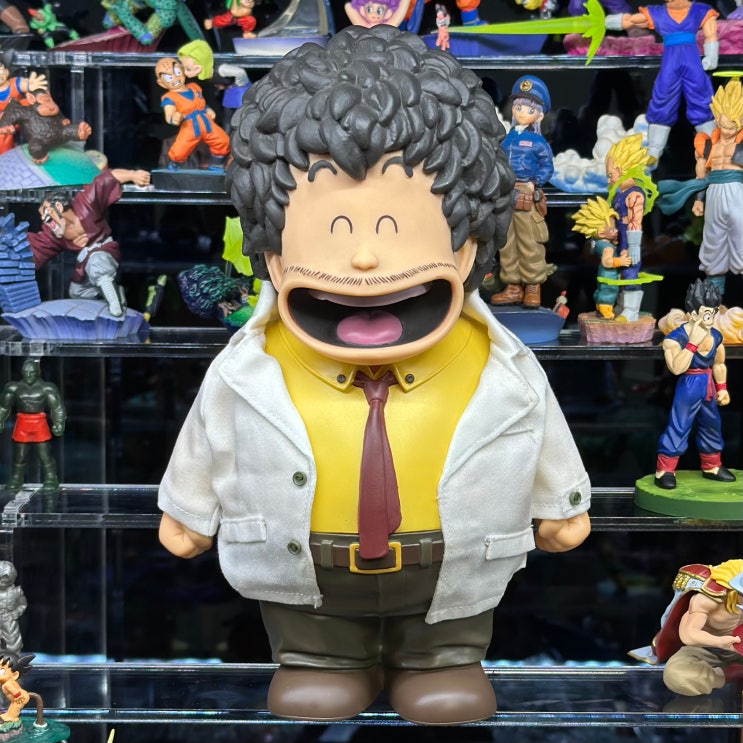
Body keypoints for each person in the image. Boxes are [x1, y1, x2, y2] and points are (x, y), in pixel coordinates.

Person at [158, 26, 591, 726]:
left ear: (468, 245)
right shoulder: (252, 366)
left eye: (392, 228)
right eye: (335, 231)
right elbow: (212, 434)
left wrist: (560, 502)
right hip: (306, 572)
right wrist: (188, 509)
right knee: (311, 646)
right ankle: (320, 657)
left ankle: (441, 657)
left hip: (452, 569)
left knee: (448, 634)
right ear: (272, 254)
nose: (363, 260)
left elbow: (535, 425)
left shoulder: (497, 363)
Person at [657, 78, 743, 301]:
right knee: (714, 243)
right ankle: (713, 304)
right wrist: (699, 199)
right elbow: (703, 174)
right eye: (722, 125)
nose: (726, 131)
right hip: (714, 192)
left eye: (732, 126)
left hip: (737, 192)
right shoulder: (708, 142)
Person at [605, 0, 719, 165]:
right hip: (670, 64)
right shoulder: (658, 13)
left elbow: (711, 31)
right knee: (662, 98)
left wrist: (712, 54)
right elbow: (631, 20)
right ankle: (654, 149)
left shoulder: (700, 10)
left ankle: (712, 146)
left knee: (701, 98)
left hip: (692, 63)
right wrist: (608, 22)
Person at [27, 168, 151, 317]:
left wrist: (132, 175)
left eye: (48, 217)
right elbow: (38, 247)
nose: (47, 222)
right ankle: (113, 297)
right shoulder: (54, 233)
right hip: (84, 262)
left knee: (96, 263)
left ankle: (115, 307)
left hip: (104, 251)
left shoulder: (86, 204)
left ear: (58, 207)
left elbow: (105, 180)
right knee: (77, 291)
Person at [654, 279, 735, 489]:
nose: (711, 319)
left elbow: (719, 363)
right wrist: (692, 344)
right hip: (688, 384)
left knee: (712, 424)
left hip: (708, 383)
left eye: (713, 314)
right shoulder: (675, 339)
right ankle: (664, 470)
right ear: (692, 315)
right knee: (679, 425)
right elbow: (676, 368)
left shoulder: (715, 336)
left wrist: (722, 387)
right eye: (707, 314)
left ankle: (712, 466)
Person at [630, 560, 743, 696]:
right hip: (708, 649)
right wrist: (720, 642)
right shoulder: (707, 600)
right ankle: (729, 675)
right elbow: (689, 634)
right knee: (678, 675)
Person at [490, 76, 554, 309]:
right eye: (518, 107)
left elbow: (547, 167)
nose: (521, 112)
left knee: (529, 242)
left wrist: (534, 183)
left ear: (539, 115)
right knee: (507, 242)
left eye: (528, 109)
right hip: (506, 194)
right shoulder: (507, 139)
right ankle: (513, 286)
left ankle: (533, 286)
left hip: (526, 194)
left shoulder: (538, 142)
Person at [604, 134, 657, 322]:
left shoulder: (635, 194)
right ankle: (622, 305)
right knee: (619, 271)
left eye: (610, 175)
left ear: (622, 170)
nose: (609, 180)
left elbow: (636, 220)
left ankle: (631, 310)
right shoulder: (619, 193)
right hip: (620, 235)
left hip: (630, 236)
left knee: (630, 270)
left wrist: (633, 246)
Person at [0, 358, 66, 496]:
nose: (28, 374)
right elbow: (3, 407)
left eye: (32, 372)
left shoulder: (47, 388)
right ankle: (16, 478)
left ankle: (51, 478)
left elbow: (57, 407)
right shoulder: (14, 387)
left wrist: (59, 423)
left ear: (38, 372)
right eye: (26, 372)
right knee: (20, 455)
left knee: (44, 454)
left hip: (39, 422)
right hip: (22, 422)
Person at [155, 57, 230, 171]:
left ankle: (217, 165)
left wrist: (208, 109)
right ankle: (174, 164)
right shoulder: (169, 97)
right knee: (180, 149)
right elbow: (169, 114)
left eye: (177, 72)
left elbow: (201, 103)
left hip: (206, 122)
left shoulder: (194, 87)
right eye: (169, 77)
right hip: (189, 125)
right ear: (161, 83)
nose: (175, 78)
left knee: (223, 141)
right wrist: (173, 118)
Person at [571, 196, 630, 319]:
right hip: (608, 274)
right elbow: (607, 262)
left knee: (601, 289)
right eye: (612, 230)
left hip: (603, 273)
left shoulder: (598, 243)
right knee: (609, 290)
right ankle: (605, 308)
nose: (616, 231)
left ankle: (599, 305)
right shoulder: (607, 248)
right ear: (601, 233)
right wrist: (621, 261)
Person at [0, 55, 47, 155]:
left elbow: (24, 84)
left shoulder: (14, 83)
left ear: (7, 70)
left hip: (18, 116)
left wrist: (31, 85)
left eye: (0, 70)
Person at [0, 563, 26, 657]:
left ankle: (12, 657)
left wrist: (17, 612)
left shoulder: (17, 592)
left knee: (12, 638)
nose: (2, 582)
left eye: (4, 580)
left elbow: (22, 604)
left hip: (9, 618)